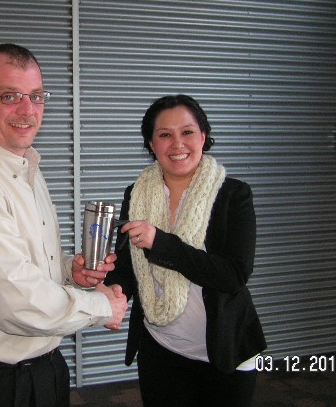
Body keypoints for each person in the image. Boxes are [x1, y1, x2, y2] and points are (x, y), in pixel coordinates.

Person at [0, 43, 128, 407]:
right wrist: (101, 306)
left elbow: (24, 261)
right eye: (10, 96)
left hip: (40, 371)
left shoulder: (24, 166)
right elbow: (12, 299)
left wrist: (67, 272)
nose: (28, 110)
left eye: (36, 96)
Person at [105, 94, 266, 406]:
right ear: (151, 144)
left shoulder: (233, 194)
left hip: (224, 352)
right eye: (164, 135)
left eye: (187, 132)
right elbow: (127, 269)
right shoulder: (136, 194)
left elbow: (233, 275)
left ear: (203, 137)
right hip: (160, 347)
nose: (177, 144)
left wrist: (161, 243)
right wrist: (108, 286)